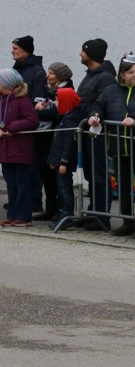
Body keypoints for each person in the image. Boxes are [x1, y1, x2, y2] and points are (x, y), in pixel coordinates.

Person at [88, 52, 135, 238]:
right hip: (119, 144)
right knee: (123, 184)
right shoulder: (111, 91)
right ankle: (128, 222)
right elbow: (98, 105)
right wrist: (95, 116)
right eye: (130, 72)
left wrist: (134, 117)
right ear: (122, 75)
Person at [73, 38, 115, 227]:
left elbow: (102, 104)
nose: (80, 53)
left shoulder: (104, 77)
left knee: (99, 174)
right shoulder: (91, 75)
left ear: (91, 54)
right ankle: (93, 210)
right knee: (91, 173)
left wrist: (92, 116)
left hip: (97, 133)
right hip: (87, 132)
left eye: (83, 50)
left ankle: (102, 215)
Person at [34, 62, 76, 224]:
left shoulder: (66, 92)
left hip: (56, 140)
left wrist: (40, 111)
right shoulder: (48, 90)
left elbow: (56, 112)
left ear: (60, 76)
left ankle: (62, 211)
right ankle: (51, 208)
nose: (47, 76)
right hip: (46, 139)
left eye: (51, 73)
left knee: (59, 180)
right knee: (46, 175)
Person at [12, 35, 49, 218]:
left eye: (16, 48)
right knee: (20, 164)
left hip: (30, 125)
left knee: (32, 163)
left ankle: (34, 201)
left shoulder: (36, 71)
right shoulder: (19, 68)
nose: (12, 51)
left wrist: (29, 116)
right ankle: (20, 199)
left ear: (26, 51)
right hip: (19, 124)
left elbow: (36, 99)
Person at [0, 68, 39, 227]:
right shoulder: (3, 100)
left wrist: (12, 127)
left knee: (22, 183)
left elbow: (32, 120)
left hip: (20, 149)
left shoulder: (22, 101)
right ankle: (12, 213)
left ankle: (24, 215)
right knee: (10, 182)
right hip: (5, 149)